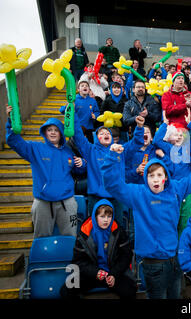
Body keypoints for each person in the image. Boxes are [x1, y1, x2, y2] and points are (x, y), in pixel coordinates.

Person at [100, 140, 191, 299]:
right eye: (151, 175)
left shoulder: (175, 189)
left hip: (175, 259)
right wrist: (112, 157)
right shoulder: (137, 193)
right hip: (154, 264)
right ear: (145, 178)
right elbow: (112, 185)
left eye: (159, 175)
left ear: (166, 178)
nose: (155, 179)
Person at [5, 105, 86, 237]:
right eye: (49, 130)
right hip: (42, 202)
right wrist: (11, 122)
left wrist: (82, 163)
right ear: (45, 132)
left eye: (56, 130)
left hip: (67, 202)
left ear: (61, 133)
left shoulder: (68, 152)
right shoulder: (35, 148)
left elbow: (79, 169)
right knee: (41, 238)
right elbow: (14, 141)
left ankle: (69, 258)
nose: (53, 132)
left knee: (71, 237)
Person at [72, 111, 145, 231]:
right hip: (95, 197)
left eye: (108, 133)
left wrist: (140, 127)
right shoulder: (91, 150)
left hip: (117, 196)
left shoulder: (121, 149)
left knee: (118, 229)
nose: (105, 134)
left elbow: (136, 142)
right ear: (96, 137)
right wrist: (73, 114)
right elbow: (79, 136)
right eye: (101, 133)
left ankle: (117, 249)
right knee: (94, 228)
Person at [60, 200, 137, 299]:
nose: (106, 220)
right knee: (66, 290)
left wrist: (114, 274)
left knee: (130, 290)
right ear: (95, 217)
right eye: (102, 216)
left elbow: (126, 256)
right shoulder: (84, 233)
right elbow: (78, 261)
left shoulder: (118, 230)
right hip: (92, 274)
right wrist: (95, 272)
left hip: (113, 273)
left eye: (109, 217)